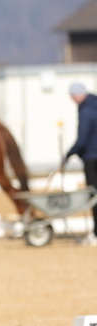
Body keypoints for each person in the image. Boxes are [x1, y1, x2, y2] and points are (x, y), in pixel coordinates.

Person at [64, 82, 97, 246]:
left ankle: (96, 234)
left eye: (73, 97)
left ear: (78, 95)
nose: (72, 100)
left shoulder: (86, 111)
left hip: (92, 158)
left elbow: (82, 139)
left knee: (94, 196)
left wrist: (69, 154)